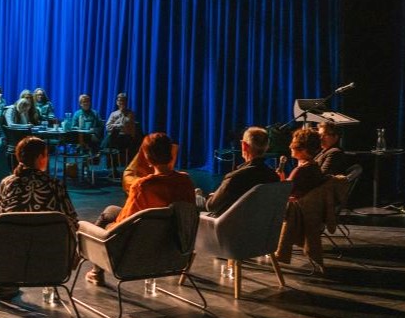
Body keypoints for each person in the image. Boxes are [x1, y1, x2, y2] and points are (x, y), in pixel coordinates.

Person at [85, 132, 195, 285]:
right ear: (170, 153)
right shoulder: (185, 181)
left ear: (147, 158)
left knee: (106, 217)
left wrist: (107, 229)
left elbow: (124, 223)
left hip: (139, 248)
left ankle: (96, 272)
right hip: (174, 247)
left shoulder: (143, 186)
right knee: (111, 210)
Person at [0, 136, 78, 301]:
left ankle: (7, 283)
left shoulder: (6, 184)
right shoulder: (55, 185)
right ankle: (50, 285)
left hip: (12, 257)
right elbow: (72, 220)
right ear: (39, 158)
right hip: (49, 257)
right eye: (46, 155)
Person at [201, 126, 280, 216]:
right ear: (267, 146)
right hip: (262, 227)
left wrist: (209, 198)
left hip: (230, 227)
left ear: (244, 145)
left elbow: (211, 206)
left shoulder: (235, 177)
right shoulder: (273, 176)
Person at [278, 127, 326, 199]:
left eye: (293, 144)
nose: (290, 147)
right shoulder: (315, 166)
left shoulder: (300, 171)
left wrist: (281, 179)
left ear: (303, 148)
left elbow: (282, 193)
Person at [102, 93, 141, 171]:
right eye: (119, 101)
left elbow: (127, 126)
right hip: (116, 137)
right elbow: (108, 126)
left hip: (126, 137)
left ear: (126, 102)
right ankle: (113, 169)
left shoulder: (130, 114)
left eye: (123, 101)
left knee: (112, 139)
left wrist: (116, 125)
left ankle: (101, 149)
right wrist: (117, 125)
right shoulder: (113, 114)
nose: (121, 102)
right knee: (112, 138)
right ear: (117, 102)